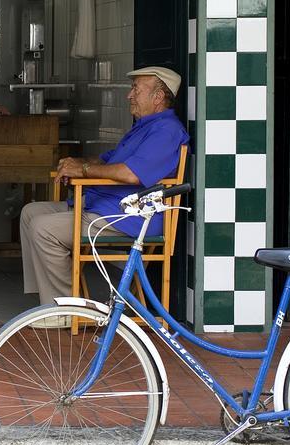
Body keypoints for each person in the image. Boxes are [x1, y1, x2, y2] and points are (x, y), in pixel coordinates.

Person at [19, 66, 190, 305]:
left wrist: (84, 171)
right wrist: (76, 164)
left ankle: (64, 308)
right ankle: (49, 300)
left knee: (43, 227)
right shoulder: (145, 127)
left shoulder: (167, 131)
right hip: (104, 208)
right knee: (30, 212)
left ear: (158, 97)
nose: (130, 95)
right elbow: (107, 160)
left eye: (136, 90)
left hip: (127, 219)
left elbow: (131, 173)